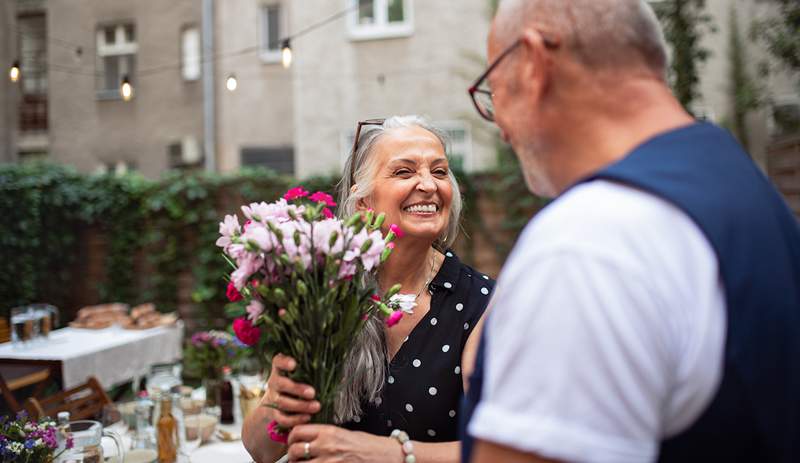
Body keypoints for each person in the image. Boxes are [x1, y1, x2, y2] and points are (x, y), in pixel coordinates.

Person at [461, 1, 800, 462]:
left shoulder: (588, 242)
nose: (499, 127)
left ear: (536, 61)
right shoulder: (743, 182)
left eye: (494, 93)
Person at [242, 115, 495, 463]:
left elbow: (497, 452)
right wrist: (277, 400)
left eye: (439, 172)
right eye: (404, 172)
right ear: (363, 203)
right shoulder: (325, 292)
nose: (428, 184)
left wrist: (388, 454)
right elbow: (260, 450)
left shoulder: (480, 304)